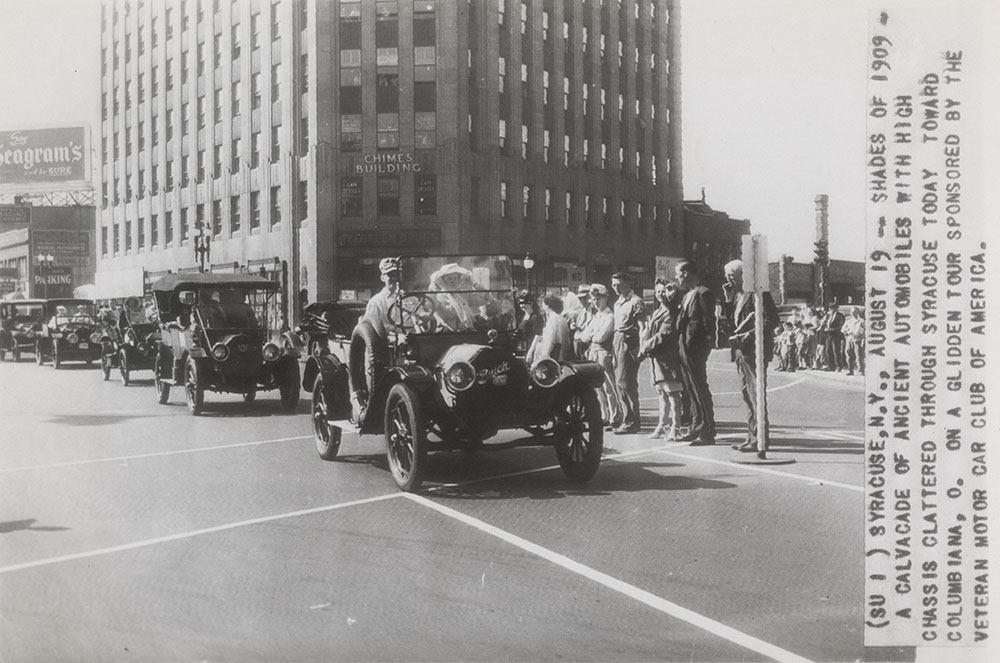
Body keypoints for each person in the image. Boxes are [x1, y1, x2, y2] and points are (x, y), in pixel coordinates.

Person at [722, 259, 780, 455]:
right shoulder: (738, 296)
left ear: (743, 275)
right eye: (728, 277)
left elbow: (771, 319)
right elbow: (732, 325)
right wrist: (728, 301)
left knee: (756, 395)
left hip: (754, 350)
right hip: (741, 352)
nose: (730, 280)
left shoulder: (758, 292)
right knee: (747, 394)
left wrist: (748, 336)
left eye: (732, 276)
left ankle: (760, 438)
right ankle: (752, 435)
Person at [674, 260, 717, 445]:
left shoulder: (703, 293)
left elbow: (709, 322)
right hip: (684, 346)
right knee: (691, 390)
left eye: (677, 274)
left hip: (695, 348)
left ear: (685, 273)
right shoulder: (687, 295)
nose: (676, 278)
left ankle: (706, 431)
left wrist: (705, 346)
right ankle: (695, 426)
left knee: (699, 389)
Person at [639, 278, 684, 439]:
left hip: (668, 358)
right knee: (662, 393)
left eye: (663, 291)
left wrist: (645, 346)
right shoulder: (658, 311)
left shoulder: (672, 312)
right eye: (657, 291)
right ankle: (663, 425)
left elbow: (664, 334)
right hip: (657, 359)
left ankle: (676, 427)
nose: (660, 295)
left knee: (673, 395)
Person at [577, 284, 621, 429]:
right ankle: (604, 415)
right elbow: (584, 336)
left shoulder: (609, 316)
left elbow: (602, 336)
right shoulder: (596, 317)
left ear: (605, 299)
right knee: (598, 387)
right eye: (594, 299)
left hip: (603, 353)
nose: (596, 302)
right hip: (593, 352)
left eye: (599, 299)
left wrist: (591, 336)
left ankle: (615, 416)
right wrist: (590, 336)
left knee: (608, 386)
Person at [611, 272, 646, 434]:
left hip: (629, 342)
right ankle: (627, 418)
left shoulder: (636, 301)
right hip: (617, 341)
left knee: (627, 383)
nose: (615, 288)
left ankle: (632, 421)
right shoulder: (618, 303)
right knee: (618, 382)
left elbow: (643, 326)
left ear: (627, 283)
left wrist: (641, 348)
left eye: (618, 284)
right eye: (613, 285)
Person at [363, 257, 403, 338]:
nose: (395, 279)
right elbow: (369, 328)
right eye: (390, 275)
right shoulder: (376, 301)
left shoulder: (411, 299)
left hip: (415, 340)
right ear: (383, 278)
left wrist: (424, 318)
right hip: (389, 342)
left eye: (398, 275)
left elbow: (420, 321)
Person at [536, 294, 572, 361]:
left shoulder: (552, 318)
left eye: (543, 303)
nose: (541, 305)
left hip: (554, 354)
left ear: (547, 305)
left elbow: (550, 339)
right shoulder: (561, 318)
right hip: (563, 354)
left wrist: (544, 356)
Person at [565, 285, 593, 359]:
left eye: (584, 298)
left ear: (590, 297)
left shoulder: (594, 312)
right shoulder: (581, 312)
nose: (582, 301)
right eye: (580, 299)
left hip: (587, 346)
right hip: (578, 345)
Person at [517, 290, 545, 365]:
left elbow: (538, 335)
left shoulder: (536, 317)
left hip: (533, 347)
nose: (522, 306)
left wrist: (530, 351)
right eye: (520, 303)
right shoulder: (524, 316)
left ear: (531, 303)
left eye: (524, 303)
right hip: (524, 347)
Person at [820, 303, 846, 371]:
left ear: (836, 308)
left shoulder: (840, 316)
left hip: (836, 335)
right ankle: (831, 366)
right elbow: (825, 323)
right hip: (828, 335)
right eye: (830, 308)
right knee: (828, 350)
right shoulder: (828, 316)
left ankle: (838, 366)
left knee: (836, 350)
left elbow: (841, 326)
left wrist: (833, 329)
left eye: (832, 308)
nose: (831, 309)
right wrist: (825, 328)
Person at [843, 307, 865, 375]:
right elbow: (843, 329)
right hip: (850, 339)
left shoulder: (861, 321)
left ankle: (860, 370)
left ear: (858, 313)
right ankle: (850, 370)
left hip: (858, 339)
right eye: (852, 312)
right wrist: (846, 332)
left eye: (855, 311)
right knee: (848, 354)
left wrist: (862, 337)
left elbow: (865, 330)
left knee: (859, 355)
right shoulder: (848, 321)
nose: (853, 313)